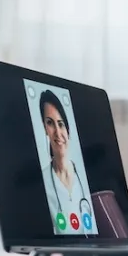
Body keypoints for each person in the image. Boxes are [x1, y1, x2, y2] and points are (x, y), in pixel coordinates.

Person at [38, 89, 90, 233]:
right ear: (44, 127)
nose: (57, 132)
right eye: (50, 123)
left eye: (61, 124)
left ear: (67, 129)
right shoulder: (41, 182)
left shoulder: (85, 177)